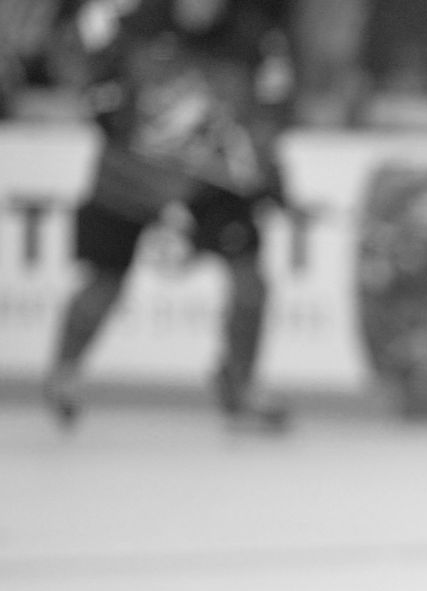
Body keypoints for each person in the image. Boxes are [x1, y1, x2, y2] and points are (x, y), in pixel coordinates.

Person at [42, 0, 294, 432]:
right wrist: (102, 99)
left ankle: (241, 383)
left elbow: (272, 108)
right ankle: (63, 374)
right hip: (131, 176)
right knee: (103, 278)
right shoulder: (135, 24)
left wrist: (267, 171)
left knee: (249, 280)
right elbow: (81, 70)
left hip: (212, 179)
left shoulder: (254, 37)